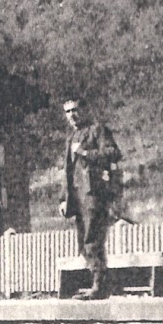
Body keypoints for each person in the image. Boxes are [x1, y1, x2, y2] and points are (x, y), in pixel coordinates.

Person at [58, 98, 122, 299]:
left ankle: (100, 286)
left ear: (84, 110)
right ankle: (97, 282)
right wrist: (63, 198)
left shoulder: (97, 130)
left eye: (75, 110)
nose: (72, 115)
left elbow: (113, 153)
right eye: (68, 111)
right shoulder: (71, 138)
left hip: (93, 193)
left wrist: (86, 153)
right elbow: (67, 172)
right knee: (83, 242)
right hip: (77, 197)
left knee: (92, 239)